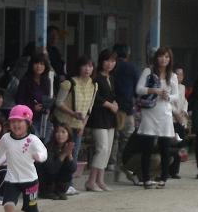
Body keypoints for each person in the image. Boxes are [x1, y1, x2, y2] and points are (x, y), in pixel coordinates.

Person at [53, 55, 98, 195]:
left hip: (78, 125)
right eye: (84, 65)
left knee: (74, 153)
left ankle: (69, 183)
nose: (87, 69)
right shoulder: (69, 83)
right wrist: (73, 114)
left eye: (90, 66)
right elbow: (58, 102)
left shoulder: (94, 85)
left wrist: (83, 125)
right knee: (59, 152)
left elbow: (89, 108)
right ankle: (56, 183)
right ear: (78, 67)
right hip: (63, 124)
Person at [135, 46, 179, 189]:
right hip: (149, 112)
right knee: (147, 146)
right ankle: (146, 178)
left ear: (170, 59)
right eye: (161, 56)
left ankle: (164, 177)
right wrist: (154, 90)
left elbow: (176, 95)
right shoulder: (148, 71)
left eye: (166, 57)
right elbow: (139, 89)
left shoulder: (173, 76)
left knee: (164, 147)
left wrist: (168, 96)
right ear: (156, 58)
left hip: (165, 113)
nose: (163, 59)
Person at [86, 49, 118, 192]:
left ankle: (100, 180)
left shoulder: (111, 77)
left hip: (110, 117)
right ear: (101, 61)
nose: (110, 64)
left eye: (112, 61)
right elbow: (96, 97)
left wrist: (115, 104)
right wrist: (110, 104)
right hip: (98, 117)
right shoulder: (96, 78)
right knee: (102, 148)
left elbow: (113, 95)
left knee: (108, 149)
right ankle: (91, 180)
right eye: (107, 60)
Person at [111, 44, 139, 182]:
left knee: (114, 138)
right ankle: (122, 165)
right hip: (127, 109)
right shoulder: (132, 68)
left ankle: (112, 165)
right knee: (127, 139)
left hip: (113, 107)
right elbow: (136, 89)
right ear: (128, 54)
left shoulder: (112, 68)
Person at [15, 53, 52, 142]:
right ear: (32, 65)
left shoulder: (47, 80)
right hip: (29, 119)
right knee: (34, 143)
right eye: (36, 63)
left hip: (44, 118)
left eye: (42, 64)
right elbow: (19, 101)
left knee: (44, 144)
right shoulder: (25, 80)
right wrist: (32, 107)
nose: (39, 66)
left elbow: (49, 98)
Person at [37, 123, 76, 200]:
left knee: (68, 170)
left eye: (63, 132)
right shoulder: (48, 147)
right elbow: (51, 169)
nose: (60, 135)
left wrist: (69, 154)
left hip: (59, 181)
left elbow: (72, 169)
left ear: (68, 135)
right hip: (46, 180)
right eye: (57, 132)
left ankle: (60, 191)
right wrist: (64, 154)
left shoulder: (69, 146)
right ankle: (46, 192)